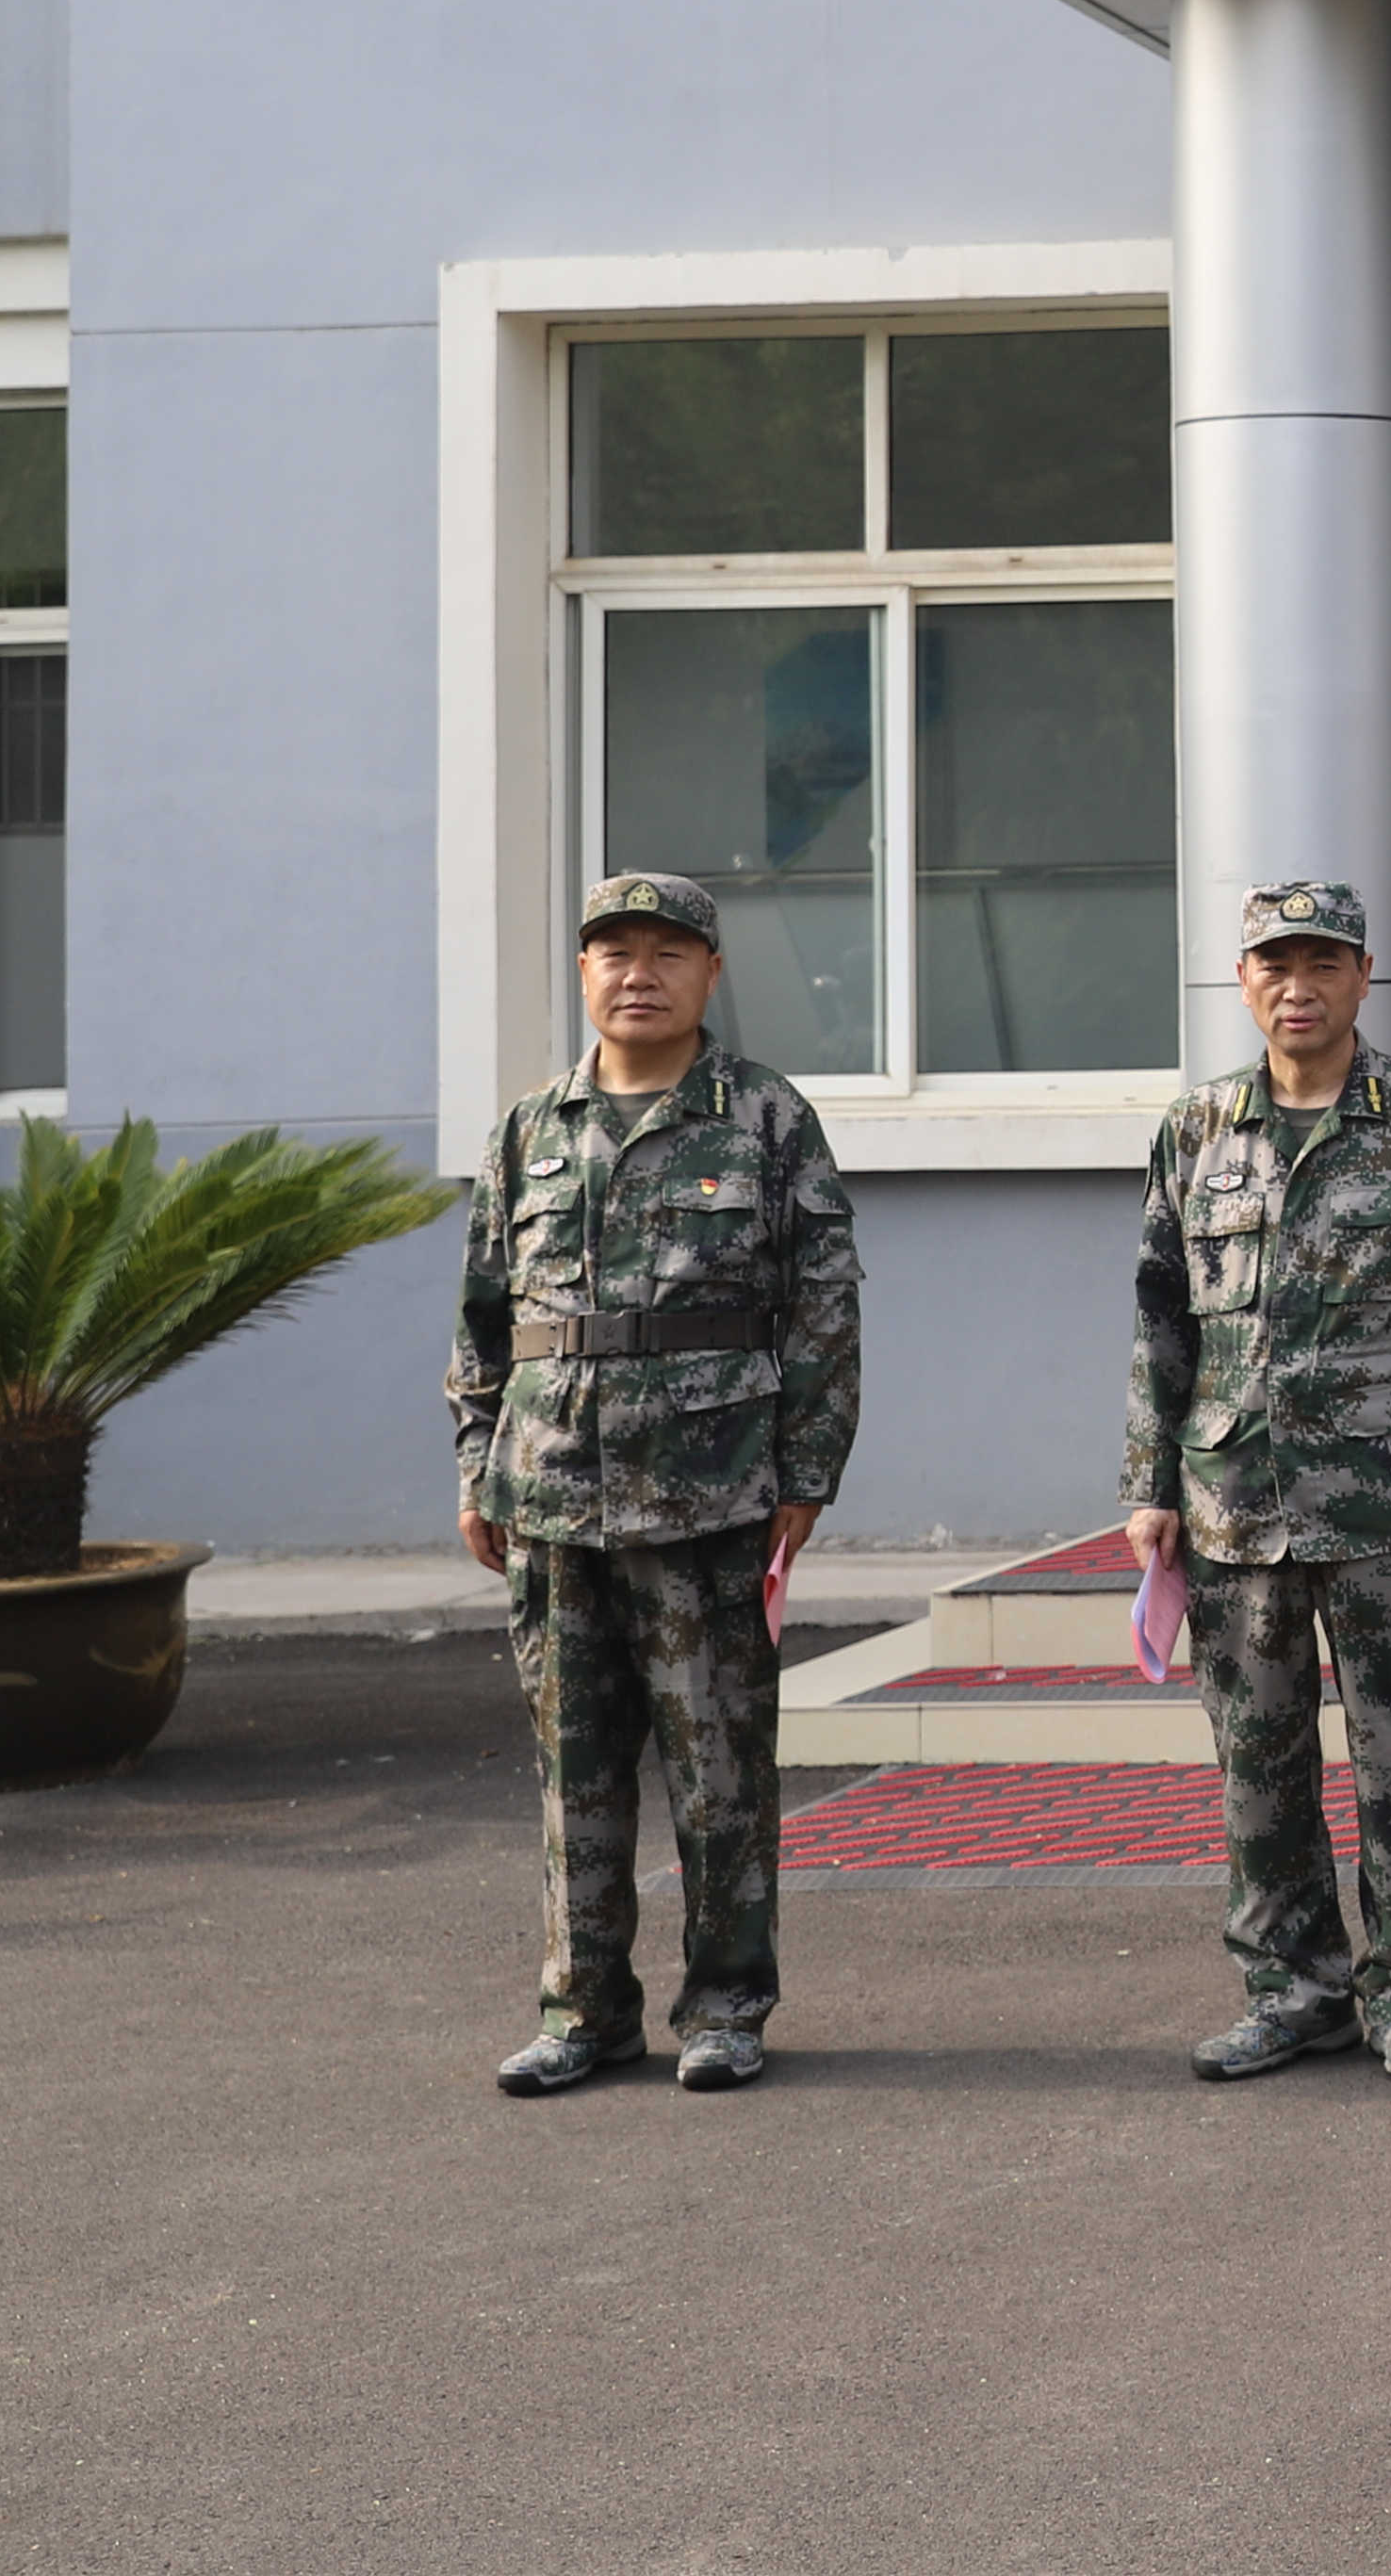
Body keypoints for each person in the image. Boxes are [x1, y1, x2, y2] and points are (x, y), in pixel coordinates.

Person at [451, 872, 859, 2097]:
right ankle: (585, 2014)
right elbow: (483, 1314)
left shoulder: (765, 1118)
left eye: (668, 952)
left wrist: (807, 1468)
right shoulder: (529, 1131)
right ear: (584, 974)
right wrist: (478, 1461)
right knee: (575, 1776)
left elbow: (824, 1305)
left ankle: (729, 2006)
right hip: (552, 1497)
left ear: (710, 975)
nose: (640, 972)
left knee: (719, 1766)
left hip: (712, 1497)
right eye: (614, 952)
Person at [1123, 881, 1391, 2089]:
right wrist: (1148, 1479)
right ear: (1243, 982)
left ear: (1363, 977)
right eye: (1272, 965)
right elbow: (1158, 1315)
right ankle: (1292, 1989)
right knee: (1260, 1758)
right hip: (1233, 1498)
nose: (1296, 986)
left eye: (1321, 964)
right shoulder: (1199, 1130)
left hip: (1387, 1498)